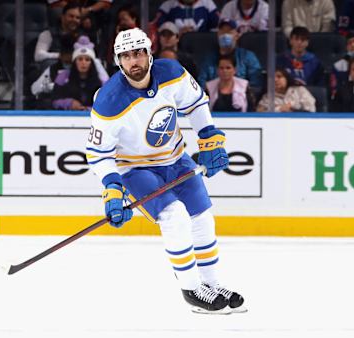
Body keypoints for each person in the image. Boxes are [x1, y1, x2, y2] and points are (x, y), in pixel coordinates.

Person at [86, 27, 246, 314]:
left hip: (176, 159)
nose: (133, 61)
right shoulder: (109, 101)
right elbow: (99, 155)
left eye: (138, 53)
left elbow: (196, 103)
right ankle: (191, 288)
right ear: (117, 61)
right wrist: (111, 189)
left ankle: (211, 283)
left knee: (203, 218)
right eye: (126, 56)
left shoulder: (171, 72)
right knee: (175, 217)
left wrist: (209, 137)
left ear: (149, 54)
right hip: (135, 169)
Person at [197, 19, 263, 89]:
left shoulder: (248, 56)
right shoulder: (209, 58)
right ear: (218, 35)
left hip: (241, 97)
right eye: (222, 31)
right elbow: (202, 83)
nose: (225, 35)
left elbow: (256, 85)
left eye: (229, 32)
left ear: (237, 35)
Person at [50, 35, 109, 110]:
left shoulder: (101, 81)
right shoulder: (63, 77)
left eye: (87, 60)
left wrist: (89, 109)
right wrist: (69, 103)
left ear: (92, 63)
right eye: (80, 59)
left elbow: (107, 104)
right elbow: (54, 101)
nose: (83, 63)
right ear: (75, 61)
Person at [154, 0, 220, 34]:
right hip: (176, 45)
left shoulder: (207, 3)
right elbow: (158, 28)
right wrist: (178, 33)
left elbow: (217, 27)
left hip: (202, 44)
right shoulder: (168, 5)